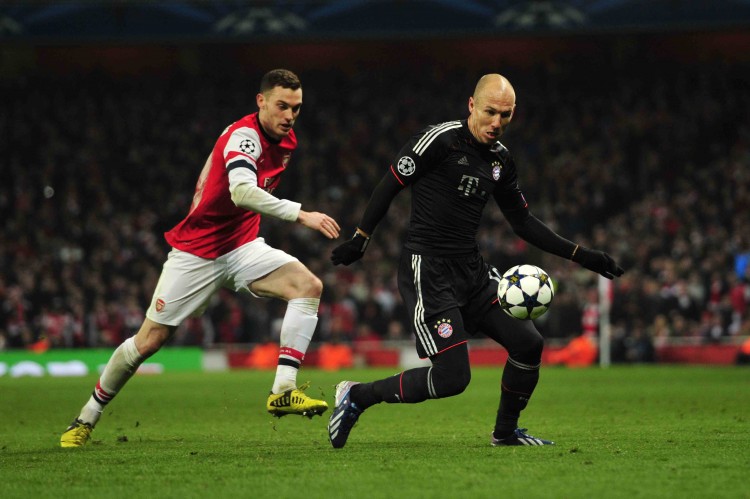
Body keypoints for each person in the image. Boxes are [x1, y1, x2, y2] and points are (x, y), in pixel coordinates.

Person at [327, 74, 624, 448]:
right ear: (471, 105)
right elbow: (390, 184)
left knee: (528, 344)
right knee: (452, 379)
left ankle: (505, 433)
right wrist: (361, 238)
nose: (497, 123)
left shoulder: (501, 160)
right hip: (428, 271)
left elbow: (523, 222)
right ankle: (356, 396)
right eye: (490, 112)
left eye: (506, 115)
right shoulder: (439, 140)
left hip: (472, 272)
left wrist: (585, 256)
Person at [61, 69, 341, 448]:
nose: (289, 115)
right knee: (149, 341)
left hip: (241, 246)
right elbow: (241, 192)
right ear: (260, 101)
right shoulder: (244, 138)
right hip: (197, 252)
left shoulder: (287, 139)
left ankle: (283, 389)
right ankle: (86, 418)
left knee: (308, 286)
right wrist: (301, 213)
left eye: (296, 108)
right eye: (281, 106)